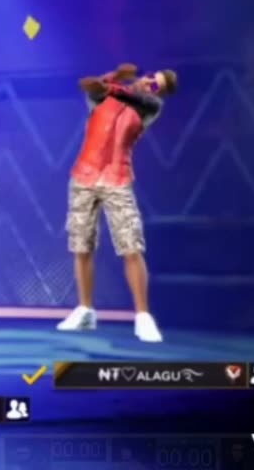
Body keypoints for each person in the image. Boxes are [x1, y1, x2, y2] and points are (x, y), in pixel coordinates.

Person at [55, 63, 177, 343]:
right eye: (150, 78)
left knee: (131, 247)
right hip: (84, 176)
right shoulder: (107, 93)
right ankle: (85, 310)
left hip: (117, 179)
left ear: (159, 94)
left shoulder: (149, 107)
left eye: (156, 86)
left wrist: (116, 84)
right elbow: (87, 85)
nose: (149, 84)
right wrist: (115, 77)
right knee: (81, 245)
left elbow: (125, 95)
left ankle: (143, 316)